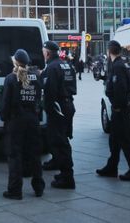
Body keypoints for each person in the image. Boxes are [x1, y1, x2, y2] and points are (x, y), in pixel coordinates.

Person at [0, 49, 45, 200]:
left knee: (14, 155)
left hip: (16, 120)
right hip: (32, 119)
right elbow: (39, 98)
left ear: (15, 62)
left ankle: (15, 190)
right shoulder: (36, 77)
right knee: (34, 154)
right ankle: (38, 187)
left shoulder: (11, 78)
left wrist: (4, 118)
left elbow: (5, 103)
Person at [96, 40, 130, 181]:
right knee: (114, 140)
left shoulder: (118, 66)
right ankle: (111, 167)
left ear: (109, 51)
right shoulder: (118, 65)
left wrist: (117, 106)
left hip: (120, 110)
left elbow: (122, 88)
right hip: (120, 109)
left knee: (126, 141)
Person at [41, 41, 76, 189]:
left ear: (47, 53)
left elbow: (49, 92)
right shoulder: (66, 65)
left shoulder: (52, 67)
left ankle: (67, 177)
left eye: (43, 51)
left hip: (57, 108)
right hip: (68, 104)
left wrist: (46, 108)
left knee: (60, 142)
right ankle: (62, 170)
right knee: (63, 139)